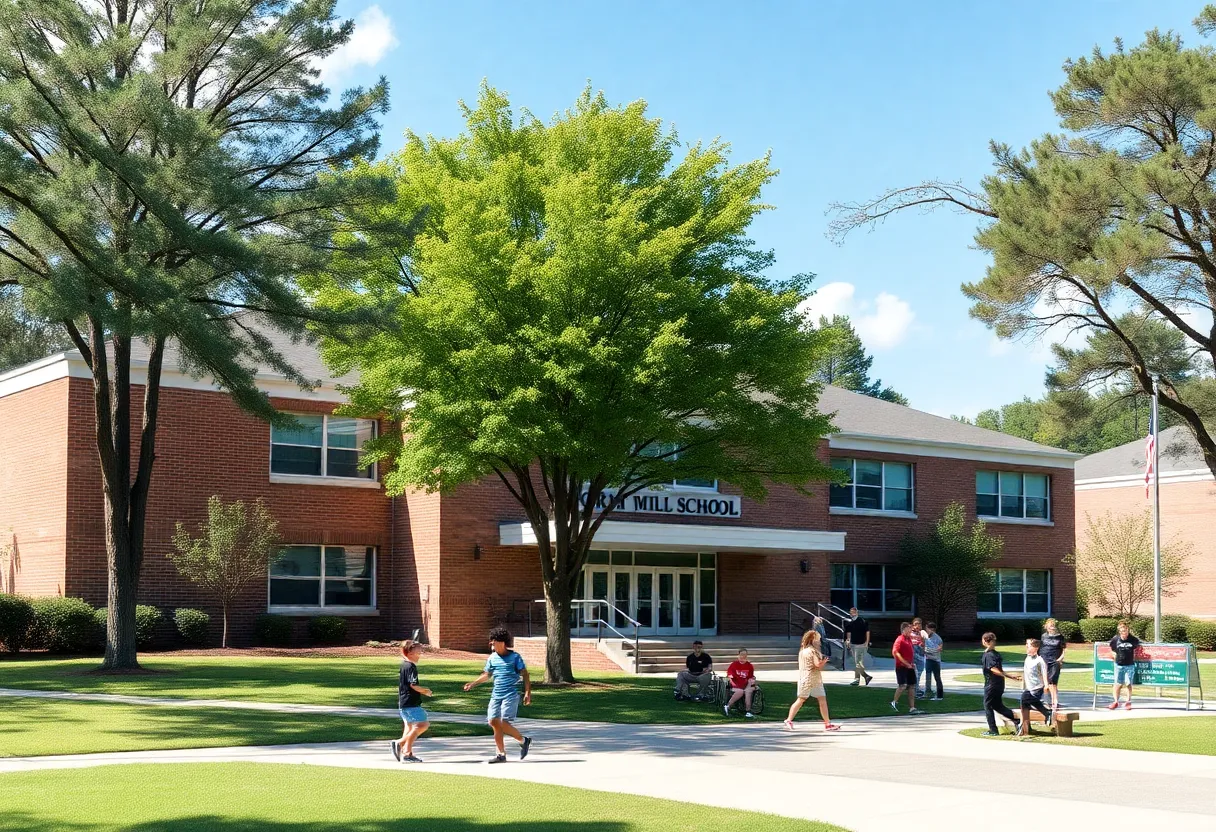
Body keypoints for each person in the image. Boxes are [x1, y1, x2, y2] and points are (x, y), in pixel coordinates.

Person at [463, 626, 534, 763]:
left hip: (511, 694)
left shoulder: (515, 657)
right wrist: (473, 683)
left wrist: (527, 693)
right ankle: (501, 754)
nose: (491, 643)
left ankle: (523, 740)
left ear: (501, 642)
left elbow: (525, 675)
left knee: (503, 722)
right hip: (496, 694)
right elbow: (487, 674)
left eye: (493, 641)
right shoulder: (492, 658)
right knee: (493, 722)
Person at [784, 629, 840, 731]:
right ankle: (789, 720)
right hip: (812, 679)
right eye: (818, 639)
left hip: (805, 678)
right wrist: (824, 661)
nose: (819, 641)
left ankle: (827, 723)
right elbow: (817, 665)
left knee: (808, 699)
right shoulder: (812, 651)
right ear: (813, 639)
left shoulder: (803, 651)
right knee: (806, 699)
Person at [392, 639, 432, 763]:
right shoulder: (410, 666)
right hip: (410, 702)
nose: (420, 654)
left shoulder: (404, 665)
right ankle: (401, 745)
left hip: (404, 702)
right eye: (418, 652)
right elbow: (413, 685)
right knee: (423, 724)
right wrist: (425, 691)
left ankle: (407, 753)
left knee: (409, 728)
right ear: (409, 652)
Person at [980, 631, 1021, 736]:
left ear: (985, 641)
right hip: (999, 684)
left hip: (991, 684)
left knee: (987, 706)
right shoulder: (994, 653)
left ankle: (993, 730)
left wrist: (1008, 676)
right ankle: (1017, 720)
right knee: (997, 706)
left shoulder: (989, 655)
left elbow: (993, 669)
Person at [1019, 638, 1052, 735]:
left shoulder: (1039, 660)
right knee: (1023, 704)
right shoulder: (1027, 658)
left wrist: (1046, 685)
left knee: (1025, 698)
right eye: (1026, 644)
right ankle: (1026, 727)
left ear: (1036, 648)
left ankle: (1047, 713)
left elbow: (1044, 672)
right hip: (1029, 687)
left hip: (1037, 687)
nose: (1027, 647)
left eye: (1029, 645)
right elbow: (1026, 672)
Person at [1108, 619, 1141, 710]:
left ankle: (1128, 701)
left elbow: (1138, 647)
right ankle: (1115, 701)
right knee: (1118, 684)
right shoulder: (1115, 639)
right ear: (1119, 631)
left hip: (1129, 665)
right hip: (1118, 665)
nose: (1124, 633)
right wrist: (1113, 654)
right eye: (1122, 631)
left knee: (1128, 683)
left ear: (1128, 630)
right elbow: (1111, 648)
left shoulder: (1133, 640)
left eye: (1125, 630)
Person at [890, 622, 920, 714]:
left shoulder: (909, 639)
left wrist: (911, 663)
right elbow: (895, 653)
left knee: (911, 686)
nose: (910, 631)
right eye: (909, 629)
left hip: (910, 666)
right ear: (904, 630)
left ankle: (912, 707)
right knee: (902, 686)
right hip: (901, 667)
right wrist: (905, 663)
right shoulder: (900, 639)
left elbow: (910, 652)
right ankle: (894, 702)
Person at [1038, 618, 1067, 715]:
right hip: (1044, 660)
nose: (1052, 627)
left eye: (1053, 625)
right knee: (1045, 682)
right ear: (1046, 627)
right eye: (1050, 625)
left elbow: (1063, 649)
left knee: (1053, 681)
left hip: (1055, 661)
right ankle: (1047, 700)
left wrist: (1061, 658)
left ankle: (1055, 701)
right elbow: (1041, 648)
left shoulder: (1060, 637)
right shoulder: (1044, 636)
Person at [843, 607, 874, 686]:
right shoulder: (849, 622)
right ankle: (862, 678)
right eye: (851, 612)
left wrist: (867, 642)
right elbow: (848, 632)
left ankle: (861, 678)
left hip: (861, 644)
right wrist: (848, 641)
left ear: (857, 613)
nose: (852, 614)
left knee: (858, 662)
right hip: (853, 644)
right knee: (857, 663)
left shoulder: (862, 621)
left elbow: (867, 632)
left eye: (853, 612)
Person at [724, 648, 758, 718]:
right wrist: (732, 676)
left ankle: (748, 711)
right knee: (740, 691)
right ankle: (727, 706)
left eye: (745, 655)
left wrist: (752, 682)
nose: (743, 656)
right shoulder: (734, 664)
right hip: (736, 686)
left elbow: (750, 677)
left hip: (746, 685)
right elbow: (730, 675)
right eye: (742, 655)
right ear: (738, 655)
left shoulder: (749, 665)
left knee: (748, 691)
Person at [923, 622, 944, 701]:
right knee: (928, 677)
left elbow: (939, 649)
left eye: (928, 629)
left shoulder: (938, 639)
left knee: (937, 677)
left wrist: (930, 652)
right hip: (928, 659)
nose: (927, 630)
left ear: (933, 629)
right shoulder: (926, 636)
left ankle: (939, 695)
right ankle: (927, 692)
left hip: (935, 660)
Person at [910, 616, 927, 698]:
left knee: (919, 673)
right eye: (915, 624)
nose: (917, 626)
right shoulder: (909, 633)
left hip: (920, 653)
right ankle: (915, 690)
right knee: (914, 673)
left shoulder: (922, 633)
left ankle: (916, 689)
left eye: (919, 624)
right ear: (912, 625)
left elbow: (925, 643)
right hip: (913, 653)